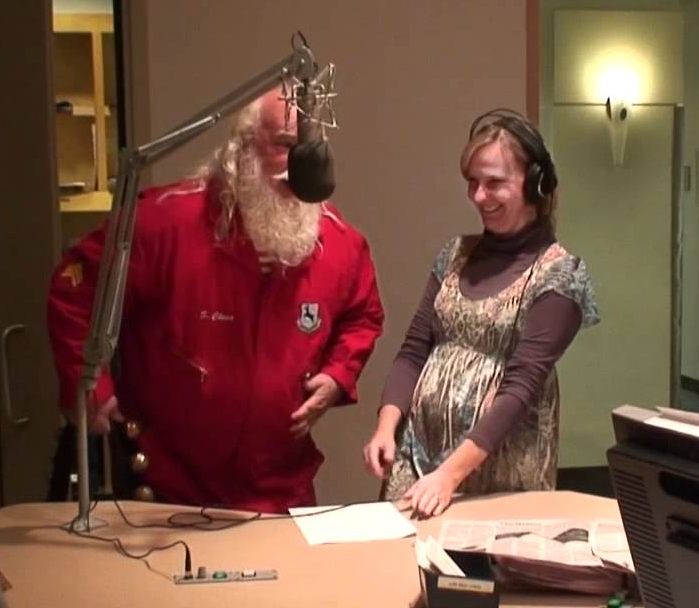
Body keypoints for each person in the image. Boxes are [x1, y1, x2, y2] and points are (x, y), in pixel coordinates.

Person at [47, 88, 385, 512]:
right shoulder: (161, 224)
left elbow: (363, 315)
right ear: (242, 146)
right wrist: (92, 386)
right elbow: (74, 289)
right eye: (283, 147)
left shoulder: (342, 245)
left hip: (278, 492)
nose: (297, 168)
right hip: (167, 494)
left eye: (308, 152)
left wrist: (338, 374)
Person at [362, 108, 599, 518]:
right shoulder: (454, 255)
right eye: (473, 183)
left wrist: (449, 476)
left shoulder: (560, 276)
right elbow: (414, 350)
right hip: (417, 461)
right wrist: (386, 427)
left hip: (496, 475)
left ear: (536, 185)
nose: (478, 197)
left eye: (494, 183)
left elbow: (521, 389)